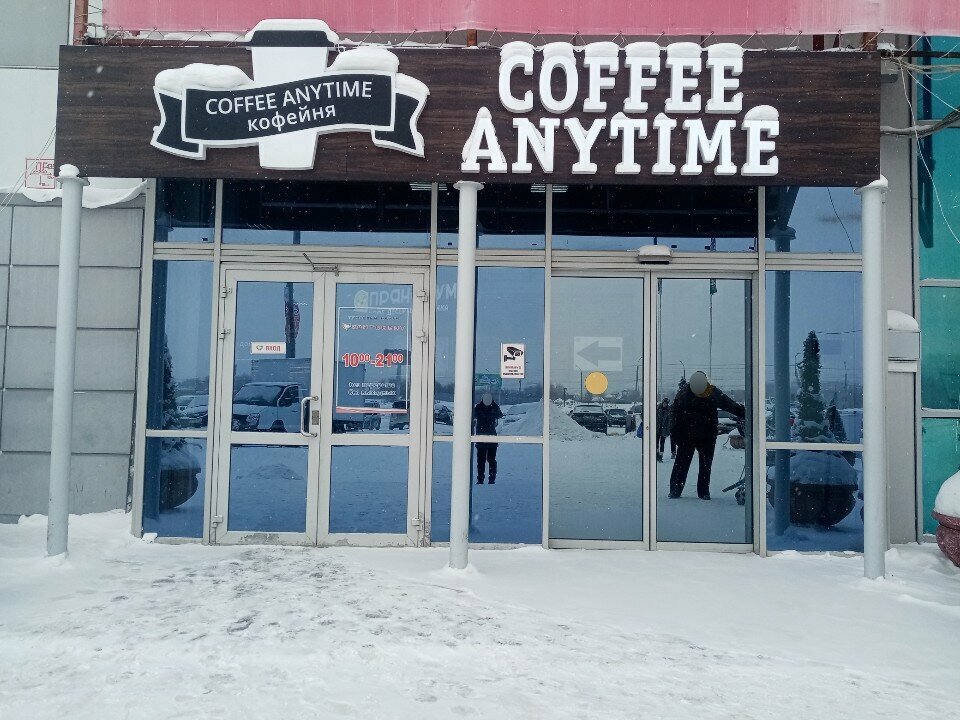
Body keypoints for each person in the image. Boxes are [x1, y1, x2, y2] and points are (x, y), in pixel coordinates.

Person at [668, 370, 745, 500]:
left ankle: (678, 490)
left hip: (696, 435)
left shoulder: (689, 392)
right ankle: (701, 492)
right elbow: (675, 414)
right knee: (702, 465)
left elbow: (674, 414)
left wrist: (675, 432)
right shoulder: (708, 392)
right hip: (700, 435)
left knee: (684, 463)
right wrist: (675, 433)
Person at [473, 392, 503, 484]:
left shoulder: (479, 407)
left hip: (485, 436)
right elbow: (499, 415)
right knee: (487, 460)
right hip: (488, 436)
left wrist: (493, 405)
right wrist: (493, 405)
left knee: (484, 460)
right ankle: (487, 479)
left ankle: (484, 479)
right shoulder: (481, 408)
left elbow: (500, 415)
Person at [656, 397, 671, 462]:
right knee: (656, 443)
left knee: (662, 443)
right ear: (662, 402)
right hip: (657, 428)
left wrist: (668, 429)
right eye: (664, 403)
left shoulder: (668, 410)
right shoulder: (657, 408)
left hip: (664, 429)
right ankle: (656, 454)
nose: (665, 404)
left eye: (666, 403)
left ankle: (660, 456)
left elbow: (669, 421)